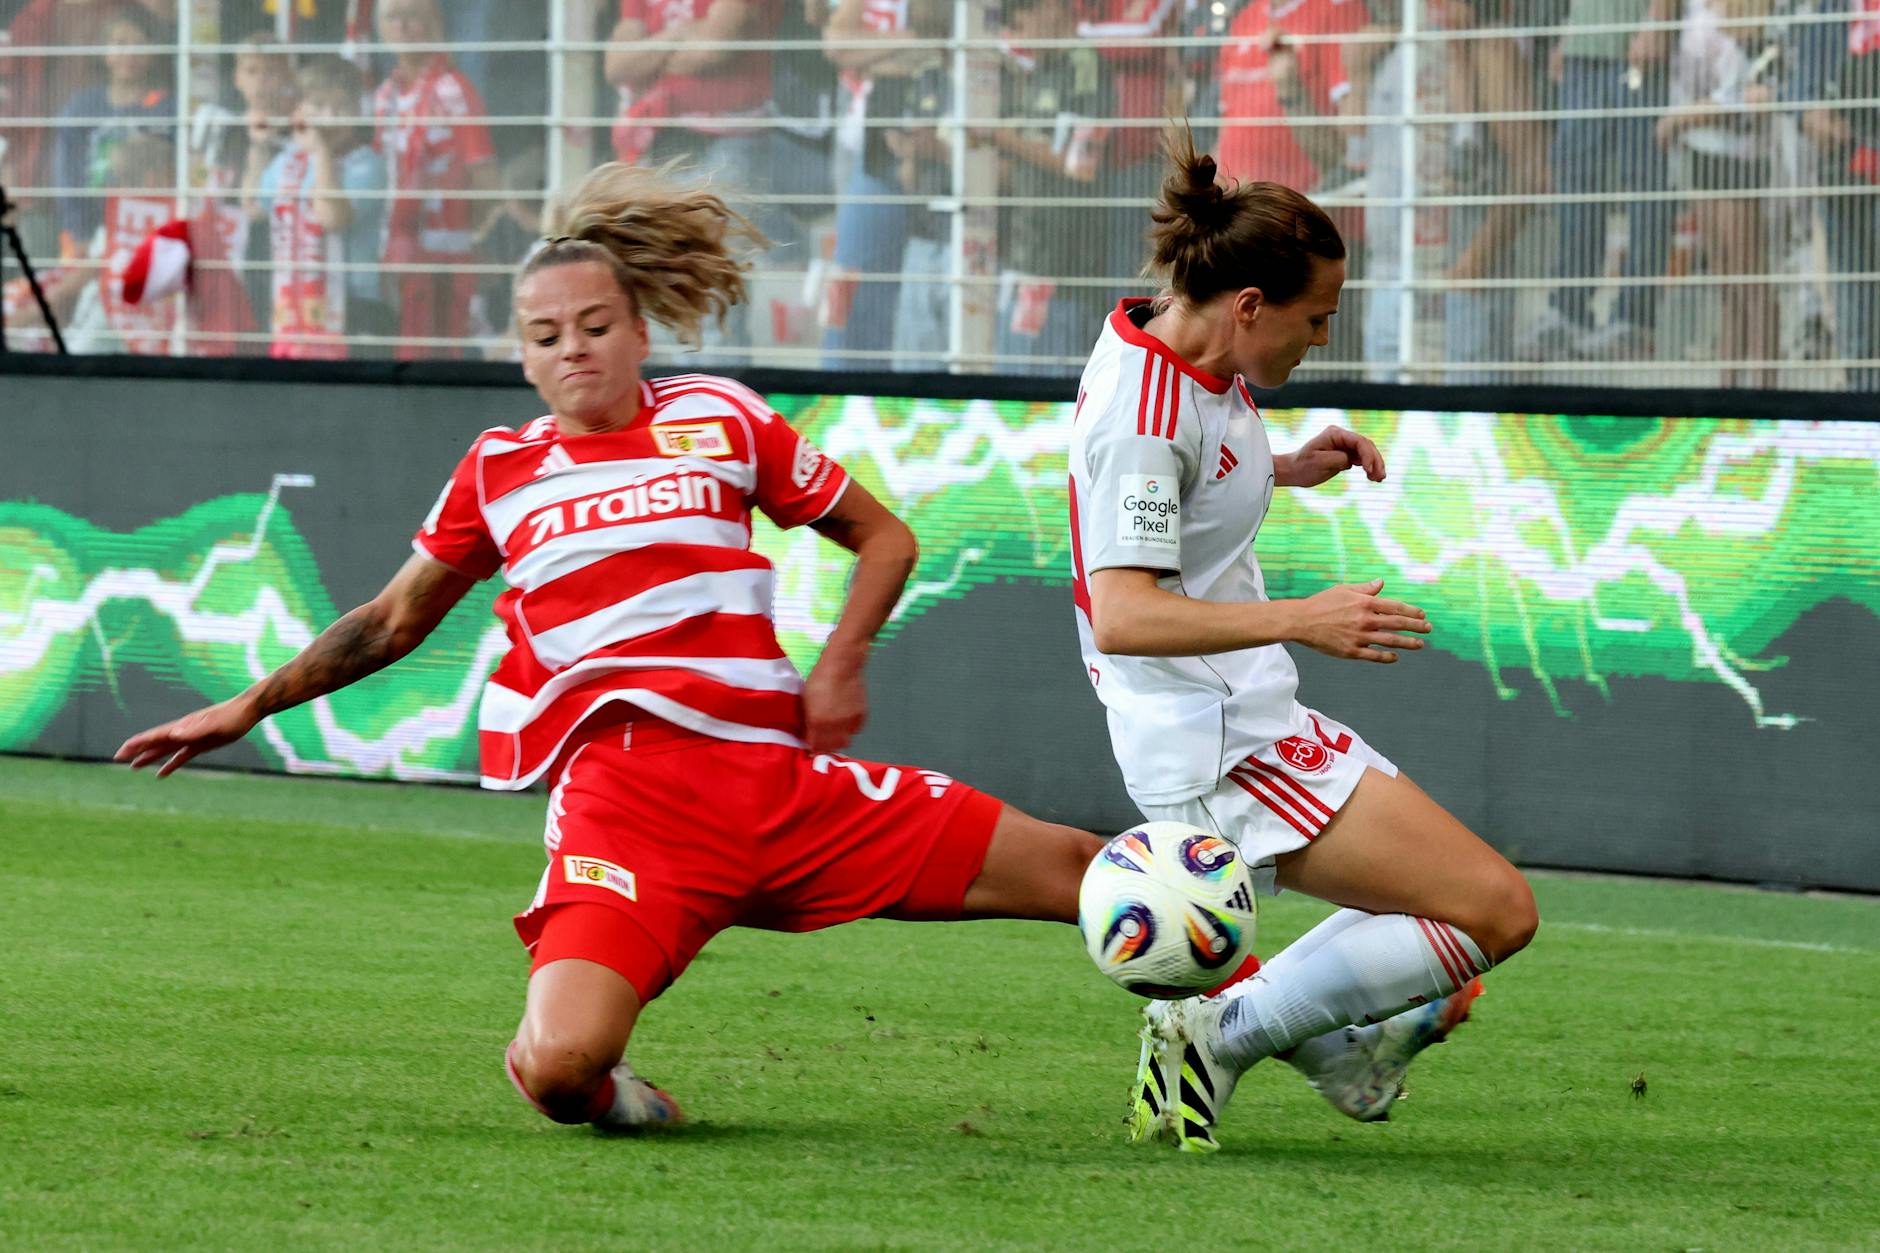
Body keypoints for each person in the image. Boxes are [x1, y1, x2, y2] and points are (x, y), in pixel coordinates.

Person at [114, 160, 1105, 1133]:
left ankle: (1236, 1011)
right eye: (545, 336)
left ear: (638, 329)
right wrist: (249, 702)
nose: (573, 350)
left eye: (594, 326)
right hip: (625, 812)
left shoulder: (718, 417)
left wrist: (841, 658)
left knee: (1095, 875)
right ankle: (624, 1096)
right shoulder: (498, 470)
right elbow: (388, 619)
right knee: (557, 1069)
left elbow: (884, 536)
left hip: (782, 787)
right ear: (524, 355)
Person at [1068, 134, 1537, 1152]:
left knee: (1467, 914)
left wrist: (1281, 465)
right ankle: (1218, 1029)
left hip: (1236, 709)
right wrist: (1302, 616)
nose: (1318, 338)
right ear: (1247, 305)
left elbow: (1176, 483)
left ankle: (1325, 1049)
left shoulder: (1172, 340)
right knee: (1490, 911)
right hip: (1216, 730)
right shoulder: (1144, 414)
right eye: (1315, 319)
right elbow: (1122, 611)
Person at [372, 0, 502, 360]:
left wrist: (468, 237)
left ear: (434, 23)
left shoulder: (452, 88)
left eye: (413, 16)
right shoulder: (385, 95)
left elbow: (485, 177)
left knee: (442, 360)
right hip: (396, 251)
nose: (402, 26)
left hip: (445, 255)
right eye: (392, 18)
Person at [256, 55, 391, 359]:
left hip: (354, 306)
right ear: (301, 109)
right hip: (295, 308)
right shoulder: (289, 159)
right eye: (318, 106)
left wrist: (321, 152)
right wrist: (260, 145)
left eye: (340, 108)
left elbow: (331, 218)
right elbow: (255, 206)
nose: (328, 117)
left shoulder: (367, 164)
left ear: (357, 111)